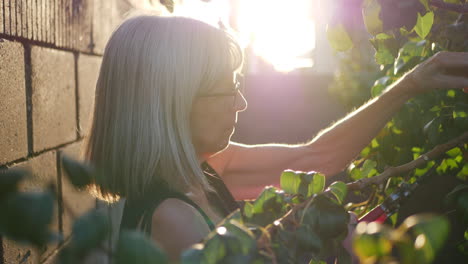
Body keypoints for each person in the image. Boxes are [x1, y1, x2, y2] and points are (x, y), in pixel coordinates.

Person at [84, 15, 468, 261]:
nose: (241, 102)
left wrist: (412, 84)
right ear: (175, 103)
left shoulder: (202, 171)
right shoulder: (174, 221)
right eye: (227, 89)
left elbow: (315, 158)